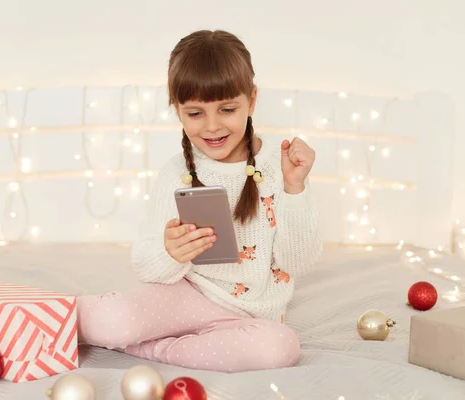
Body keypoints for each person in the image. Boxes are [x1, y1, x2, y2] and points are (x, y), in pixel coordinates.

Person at [77, 29, 322, 373]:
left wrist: (295, 188)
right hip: (185, 297)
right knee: (114, 320)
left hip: (250, 318)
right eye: (195, 113)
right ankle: (41, 316)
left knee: (280, 349)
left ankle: (153, 349)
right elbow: (146, 265)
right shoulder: (175, 173)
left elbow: (296, 263)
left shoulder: (281, 166)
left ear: (251, 101)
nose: (212, 126)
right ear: (177, 110)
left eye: (227, 109)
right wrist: (169, 252)